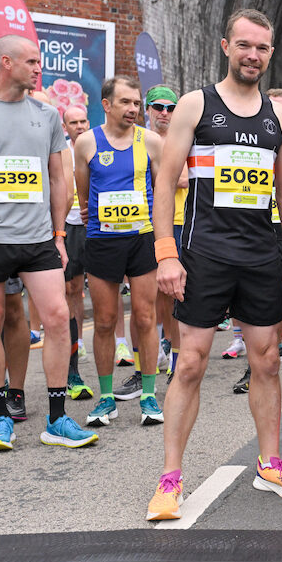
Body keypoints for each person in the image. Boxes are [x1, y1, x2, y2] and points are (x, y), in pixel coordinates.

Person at [146, 9, 282, 521]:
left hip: (261, 256)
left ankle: (270, 461)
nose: (252, 55)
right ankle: (170, 479)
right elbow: (164, 181)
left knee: (266, 360)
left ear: (270, 53)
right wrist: (166, 253)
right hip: (203, 253)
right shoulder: (197, 104)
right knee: (191, 363)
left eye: (262, 48)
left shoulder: (278, 117)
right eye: (244, 45)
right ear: (225, 46)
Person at [0, 34, 98, 451]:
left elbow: (58, 178)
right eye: (31, 62)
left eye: (40, 62)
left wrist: (60, 234)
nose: (38, 69)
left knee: (58, 317)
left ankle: (58, 418)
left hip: (38, 240)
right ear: (5, 63)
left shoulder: (47, 115)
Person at [76, 75, 164, 427]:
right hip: (102, 240)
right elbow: (84, 196)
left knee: (145, 317)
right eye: (126, 102)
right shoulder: (85, 143)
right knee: (105, 321)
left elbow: (161, 191)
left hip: (142, 239)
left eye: (136, 103)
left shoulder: (152, 142)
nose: (133, 109)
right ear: (107, 105)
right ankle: (107, 398)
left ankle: (148, 394)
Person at [144, 84, 185, 380]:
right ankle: (157, 345)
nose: (165, 113)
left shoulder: (182, 139)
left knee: (176, 292)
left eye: (171, 108)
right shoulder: (138, 140)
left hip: (178, 221)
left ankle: (176, 358)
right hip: (141, 224)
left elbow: (182, 179)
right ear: (147, 109)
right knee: (150, 294)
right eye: (159, 107)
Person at [61, 106, 94, 400]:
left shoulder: (94, 145)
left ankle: (79, 340)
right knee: (69, 287)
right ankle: (73, 342)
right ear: (65, 125)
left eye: (83, 120)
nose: (80, 126)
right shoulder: (59, 149)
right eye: (74, 122)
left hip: (90, 224)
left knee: (85, 288)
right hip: (66, 226)